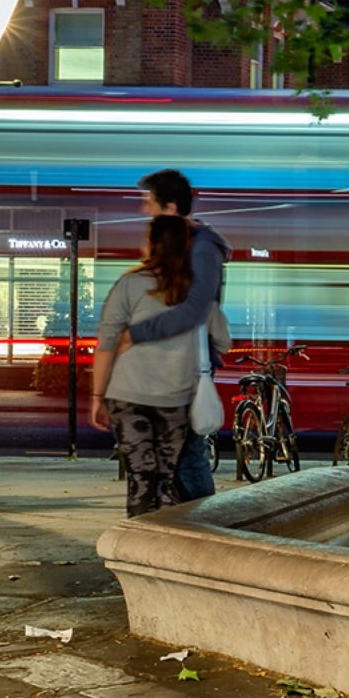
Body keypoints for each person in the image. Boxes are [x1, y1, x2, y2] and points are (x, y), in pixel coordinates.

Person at [117, 170, 231, 499]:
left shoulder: (201, 246)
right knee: (172, 453)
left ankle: (201, 528)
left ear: (169, 207)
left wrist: (137, 333)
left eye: (147, 202)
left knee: (187, 454)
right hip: (167, 362)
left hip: (187, 363)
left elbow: (195, 307)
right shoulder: (184, 244)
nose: (143, 210)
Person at [91, 216, 203, 516]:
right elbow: (223, 339)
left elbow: (106, 343)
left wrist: (97, 397)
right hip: (176, 398)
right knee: (166, 478)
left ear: (154, 244)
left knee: (140, 477)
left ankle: (136, 547)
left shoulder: (129, 284)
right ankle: (163, 547)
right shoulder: (197, 291)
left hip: (128, 396)